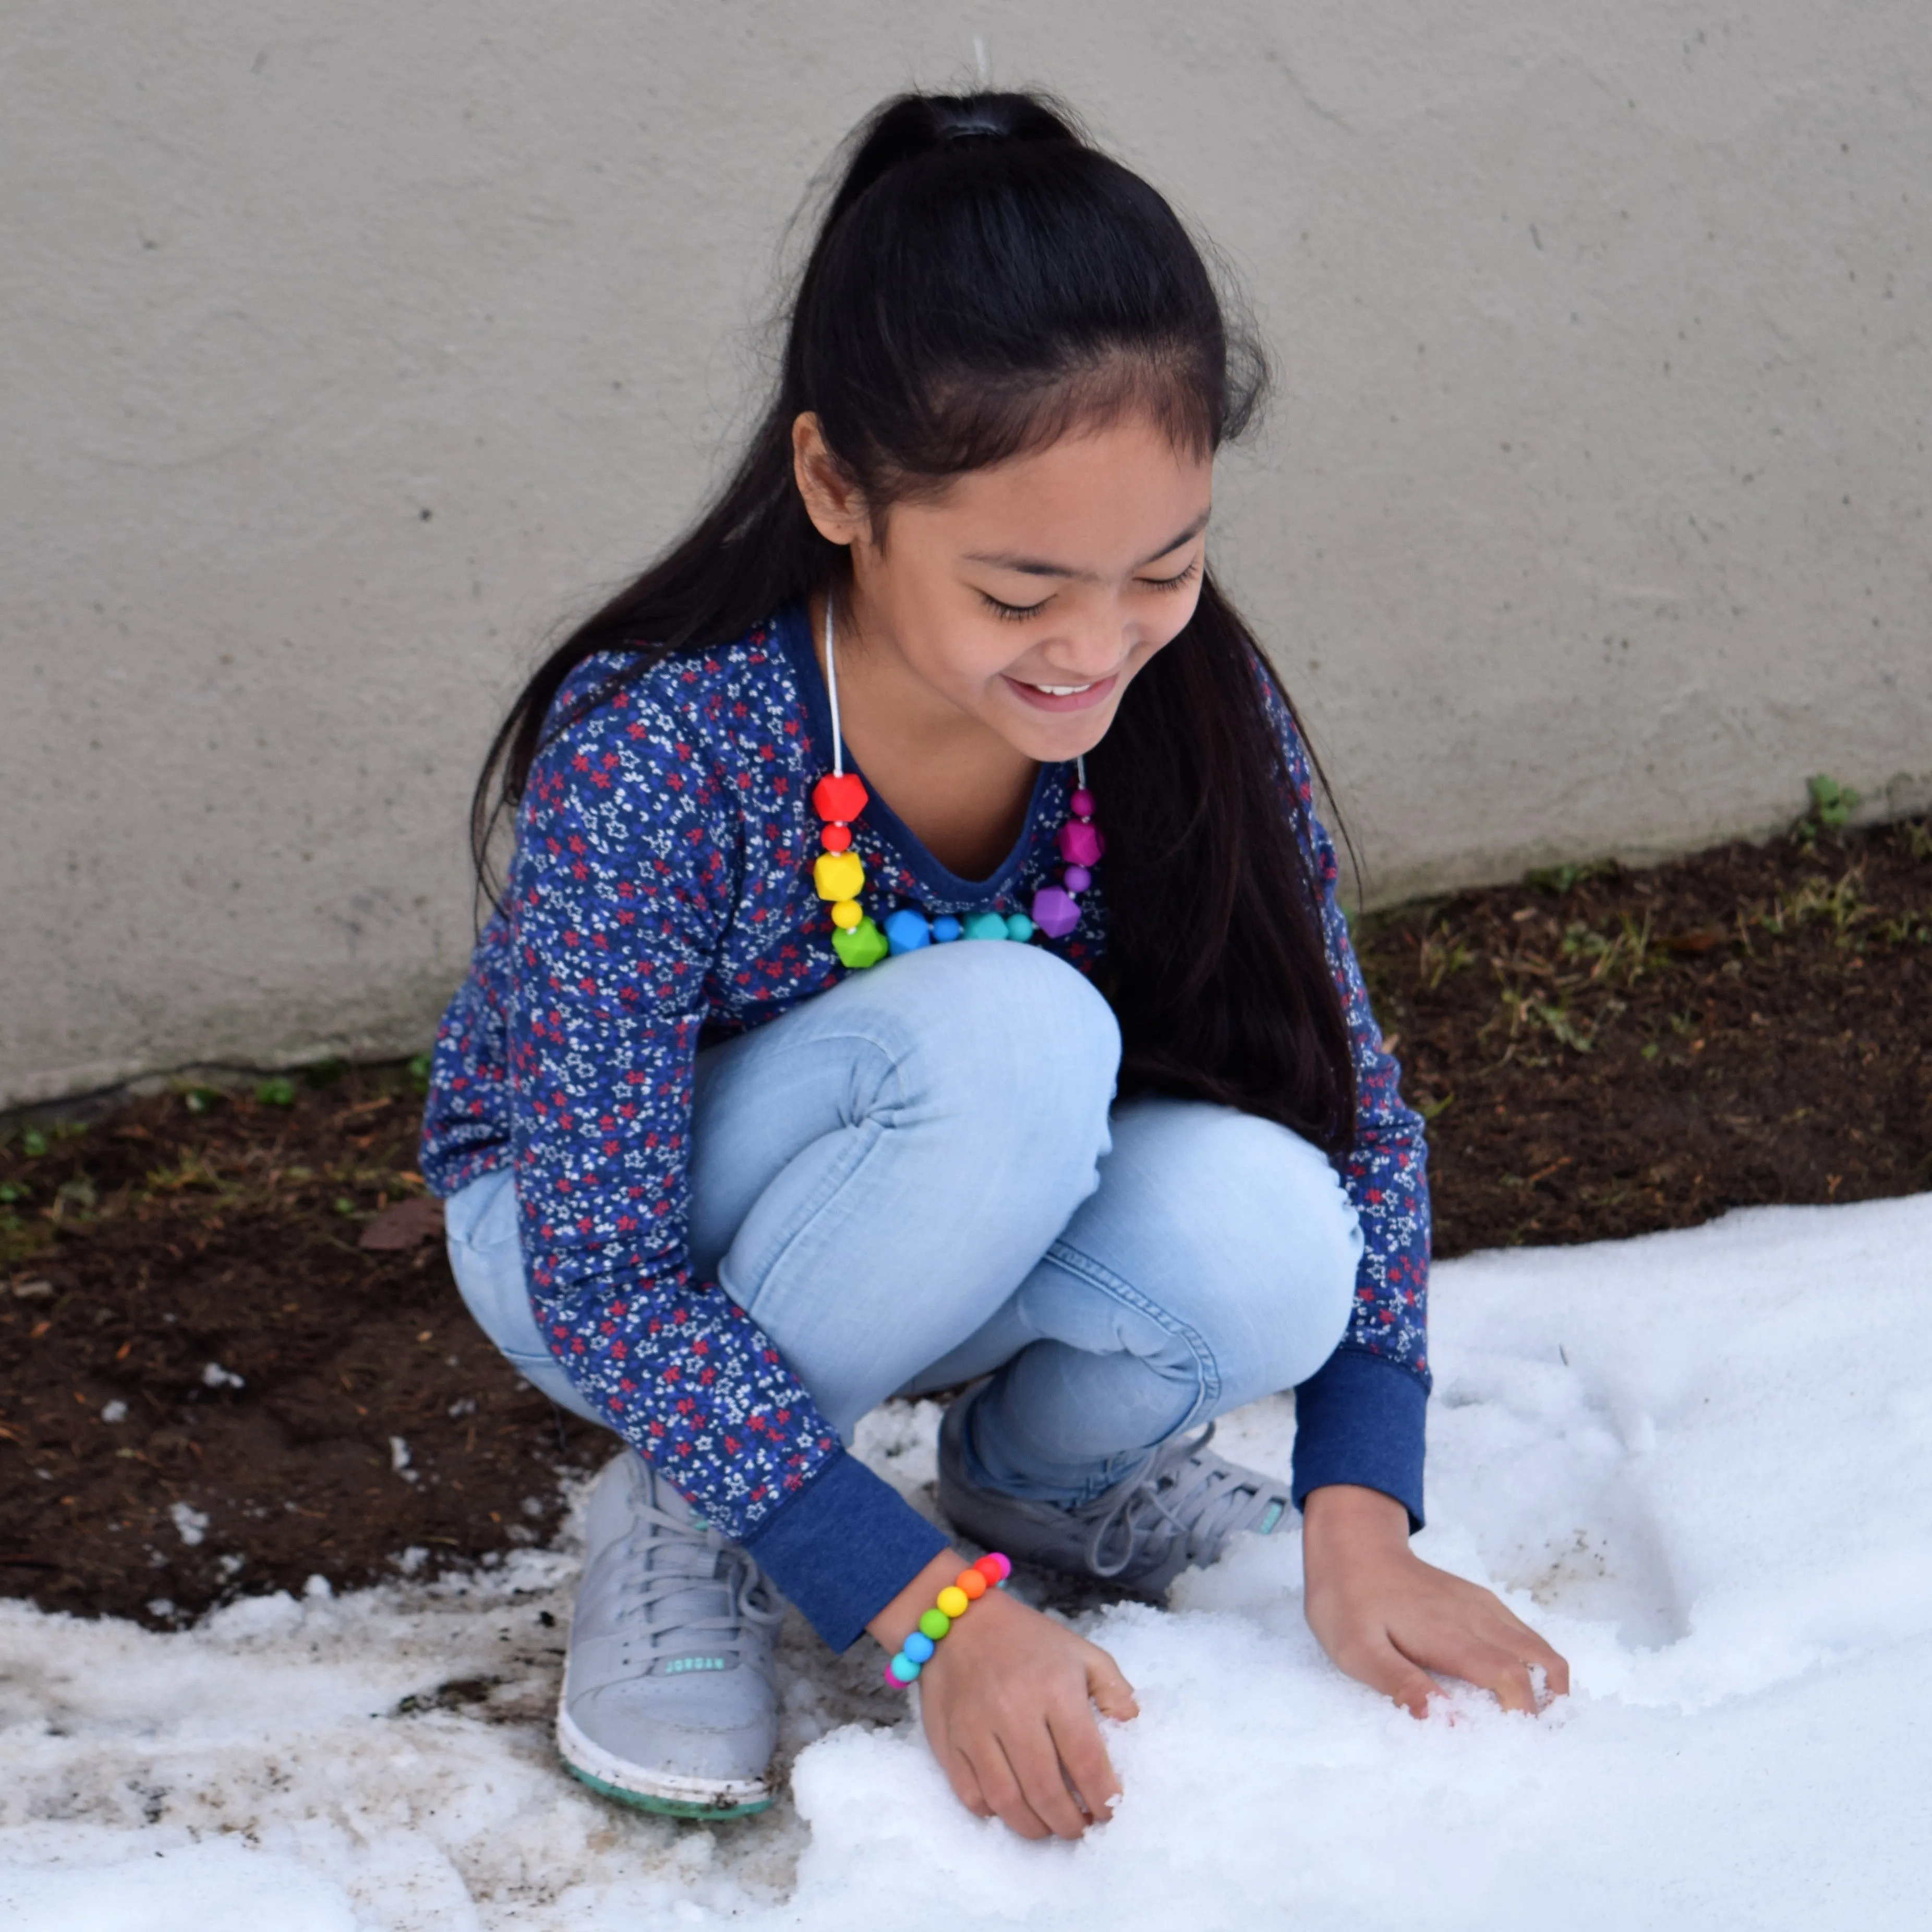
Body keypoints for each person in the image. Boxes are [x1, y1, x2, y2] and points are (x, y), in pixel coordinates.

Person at [419, 88, 1568, 1839]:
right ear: (834, 483)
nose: (1097, 646)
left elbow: (1360, 1124)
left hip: (973, 1195)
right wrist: (922, 1614)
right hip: (597, 1245)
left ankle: (1045, 1493)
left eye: (1162, 571)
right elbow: (600, 1260)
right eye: (1021, 590)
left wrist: (1360, 1518)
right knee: (1019, 1036)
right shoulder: (667, 750)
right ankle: (693, 1517)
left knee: (1276, 1225)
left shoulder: (1186, 711)